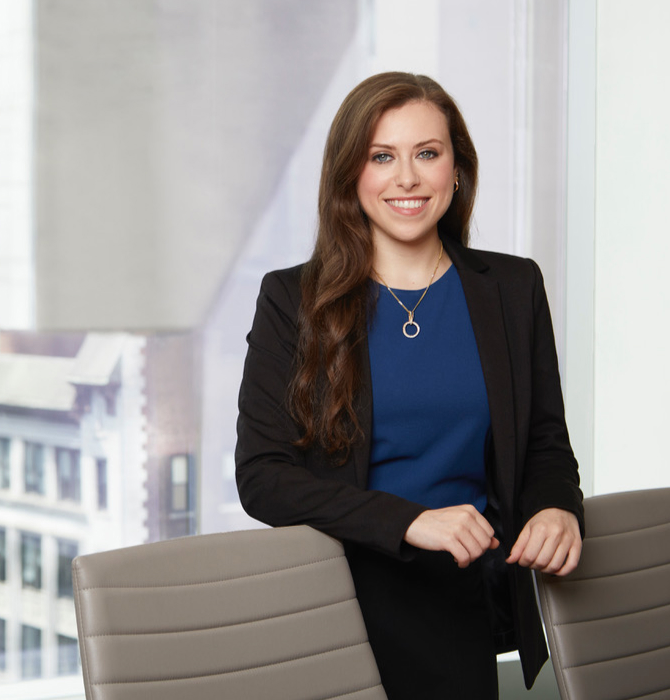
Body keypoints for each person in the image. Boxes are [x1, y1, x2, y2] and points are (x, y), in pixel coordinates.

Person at [235, 72, 584, 698]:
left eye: (427, 153)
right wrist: (409, 521)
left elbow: (543, 442)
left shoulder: (512, 288)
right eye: (381, 157)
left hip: (463, 597)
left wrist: (558, 505)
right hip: (340, 594)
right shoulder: (292, 299)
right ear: (351, 175)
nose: (407, 178)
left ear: (456, 168)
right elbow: (263, 476)